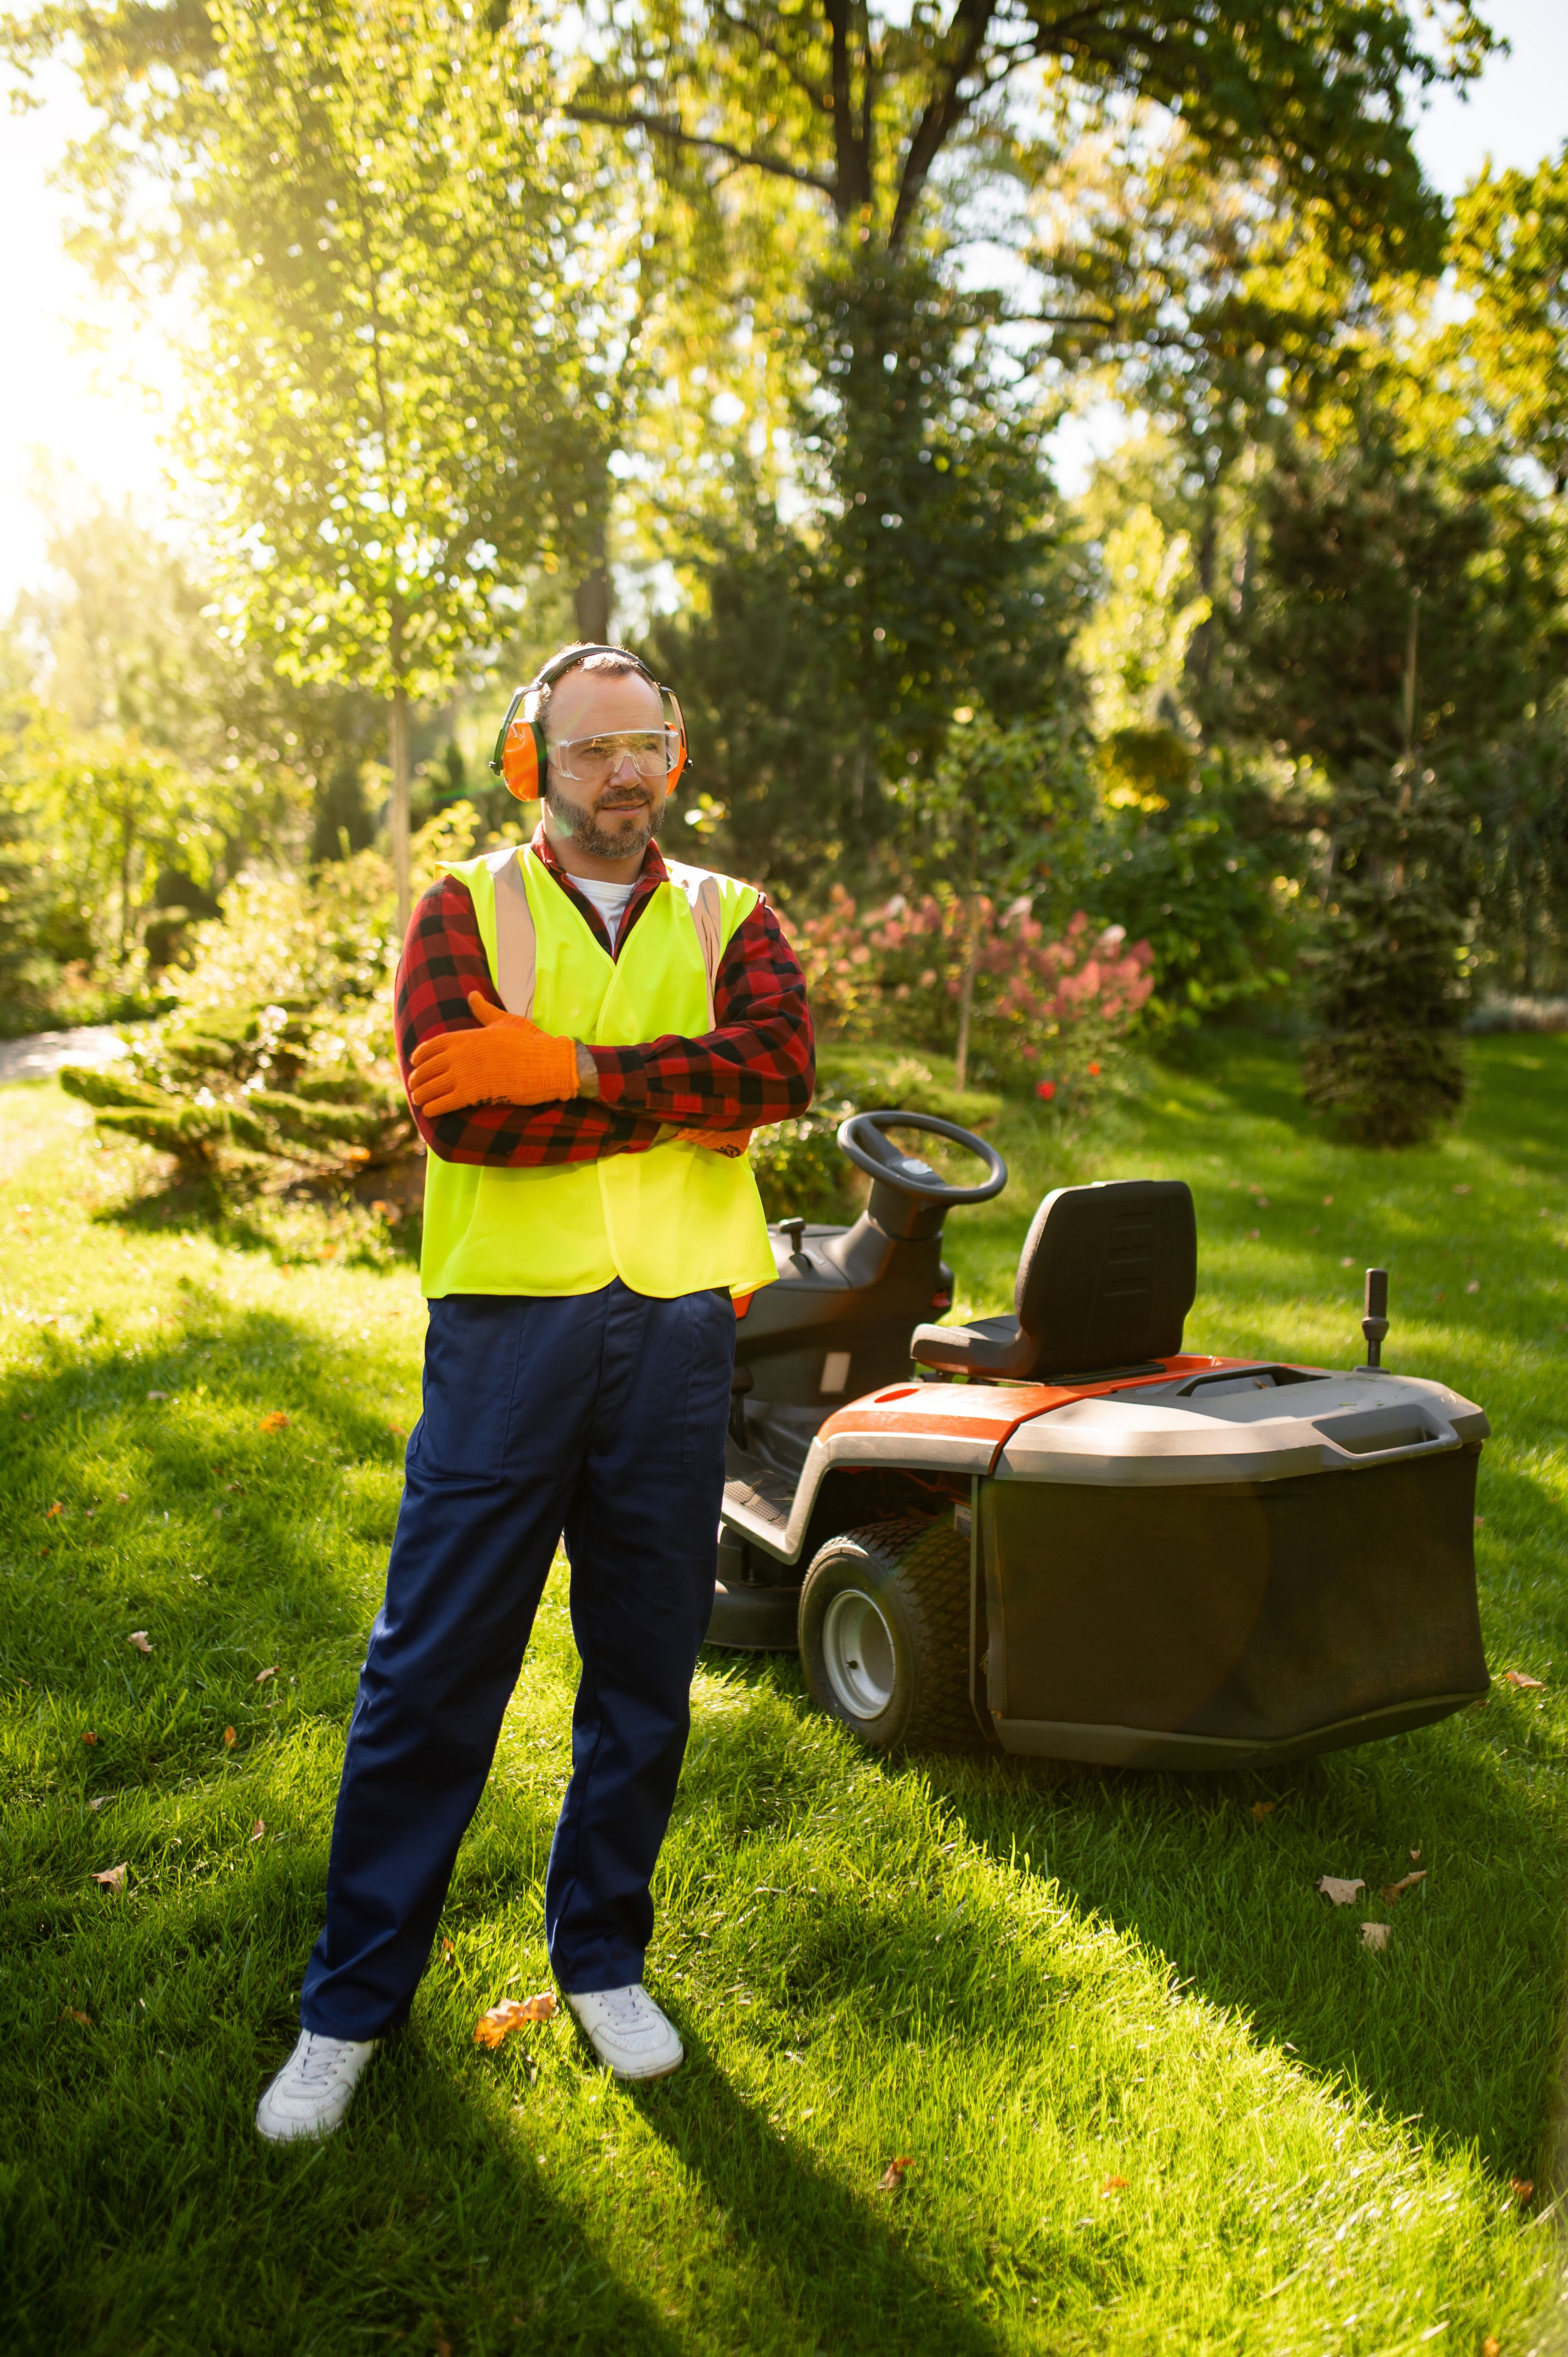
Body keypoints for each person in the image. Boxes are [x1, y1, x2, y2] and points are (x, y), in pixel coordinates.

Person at [256, 644, 813, 2141]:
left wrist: (561, 1066)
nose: (622, 771)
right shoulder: (463, 909)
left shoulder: (732, 917)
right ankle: (350, 2003)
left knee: (643, 1667)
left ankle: (603, 1958)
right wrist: (655, 1096)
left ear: (673, 759)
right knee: (432, 1671)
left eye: (646, 743)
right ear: (531, 765)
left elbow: (772, 1076)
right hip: (510, 1338)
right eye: (589, 749)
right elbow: (466, 1114)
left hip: (683, 1338)